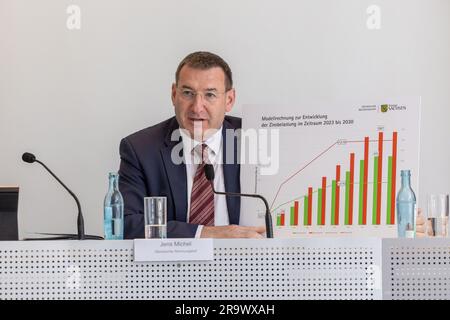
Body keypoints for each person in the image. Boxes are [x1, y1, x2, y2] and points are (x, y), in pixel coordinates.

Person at [119, 51, 266, 239]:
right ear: (174, 94)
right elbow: (128, 224)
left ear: (229, 100)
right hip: (170, 267)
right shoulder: (140, 149)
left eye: (210, 95)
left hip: (249, 264)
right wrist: (207, 233)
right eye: (188, 93)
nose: (197, 107)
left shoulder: (257, 139)